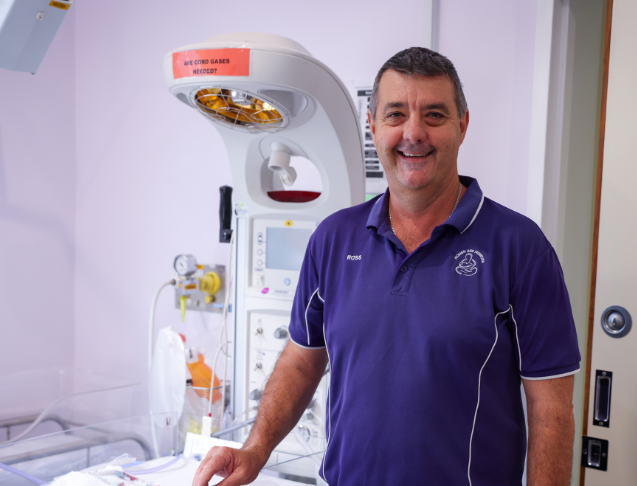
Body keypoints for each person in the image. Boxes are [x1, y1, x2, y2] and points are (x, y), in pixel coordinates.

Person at [193, 47, 581, 486]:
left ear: (463, 125)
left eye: (434, 115)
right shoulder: (333, 238)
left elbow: (551, 408)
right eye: (396, 115)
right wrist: (255, 449)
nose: (414, 133)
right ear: (373, 125)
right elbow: (302, 361)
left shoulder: (520, 248)